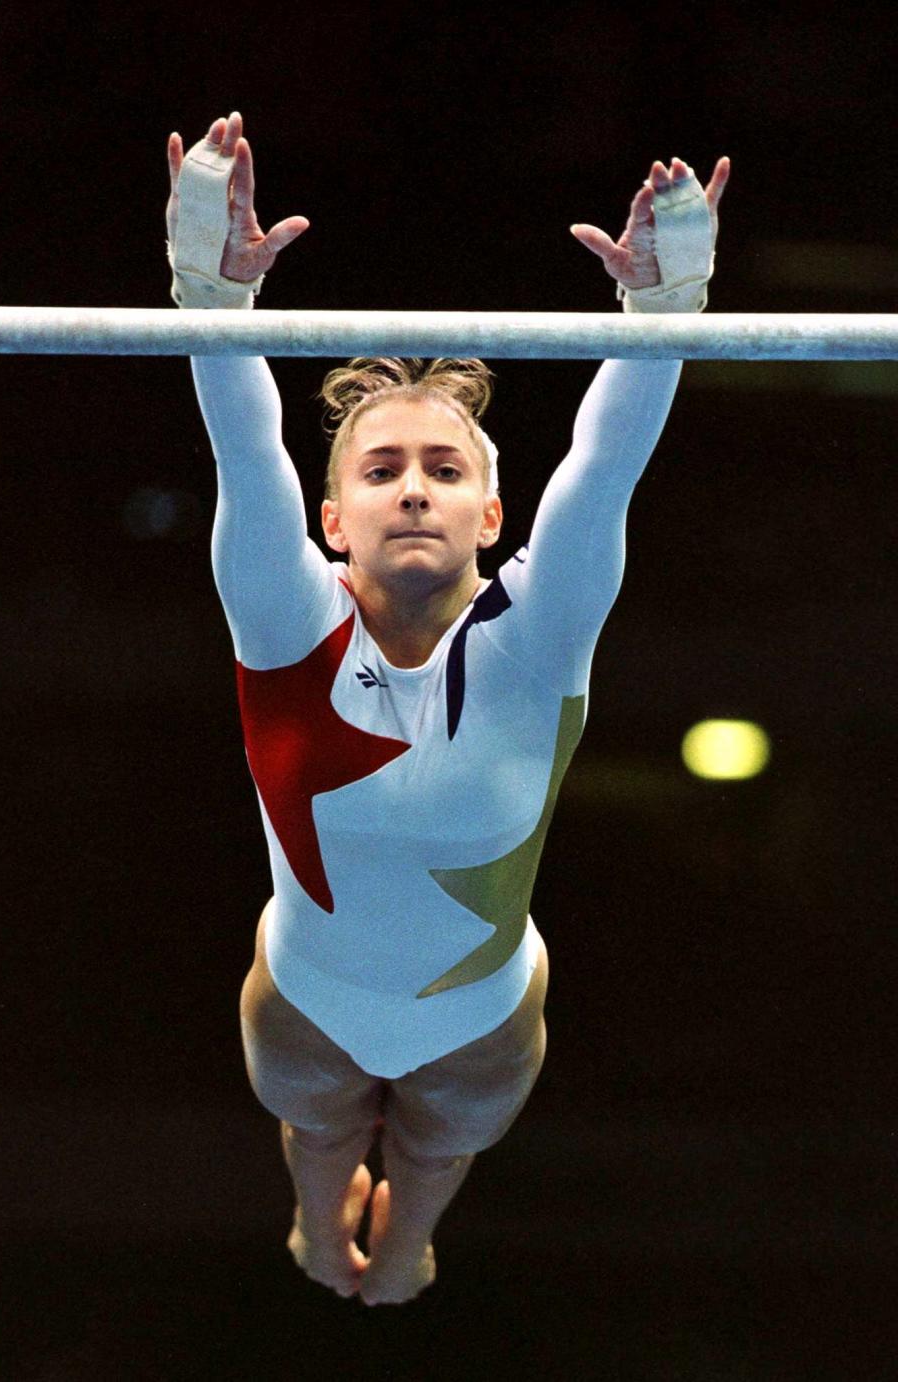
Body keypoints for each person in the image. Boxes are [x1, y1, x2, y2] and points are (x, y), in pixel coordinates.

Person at [165, 112, 729, 1306]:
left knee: (434, 1146)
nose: (413, 488)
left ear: (490, 513)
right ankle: (323, 1230)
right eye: (380, 471)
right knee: (321, 1143)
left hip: (480, 1013)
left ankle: (406, 1238)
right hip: (310, 995)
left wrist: (664, 317)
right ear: (332, 522)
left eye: (443, 469)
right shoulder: (284, 618)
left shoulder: (541, 629)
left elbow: (606, 463)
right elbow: (243, 443)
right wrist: (209, 289)